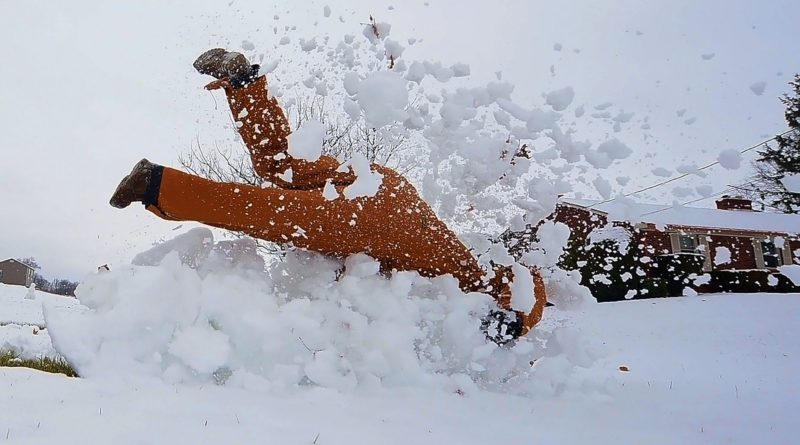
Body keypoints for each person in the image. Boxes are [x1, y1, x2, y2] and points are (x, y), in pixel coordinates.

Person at [109, 48, 546, 343]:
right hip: (379, 218)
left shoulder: (454, 269)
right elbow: (529, 288)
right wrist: (512, 321)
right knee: (263, 213)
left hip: (378, 185)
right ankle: (155, 183)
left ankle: (243, 82)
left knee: (282, 163)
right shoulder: (480, 282)